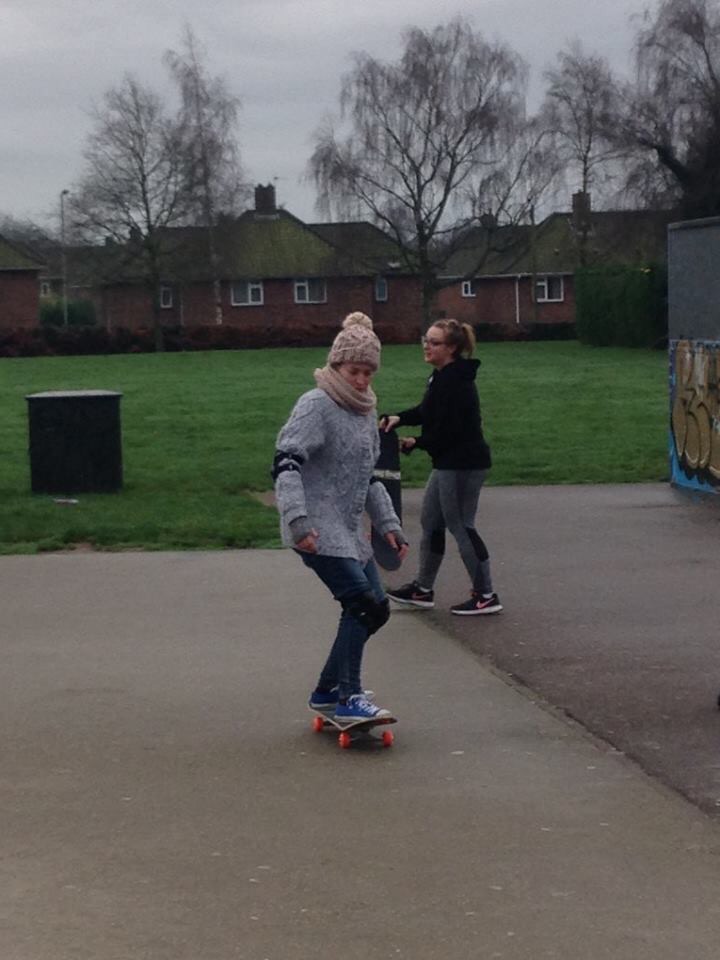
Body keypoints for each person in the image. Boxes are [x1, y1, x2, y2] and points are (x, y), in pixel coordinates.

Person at [272, 312, 409, 721]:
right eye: (354, 371)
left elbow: (368, 477)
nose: (362, 381)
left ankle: (326, 691)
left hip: (348, 530)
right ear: (336, 366)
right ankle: (349, 697)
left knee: (376, 608)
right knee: (361, 605)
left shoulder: (366, 412)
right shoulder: (316, 405)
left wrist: (388, 524)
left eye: (368, 372)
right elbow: (285, 463)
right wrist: (297, 520)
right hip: (315, 526)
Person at [380, 318, 502, 616]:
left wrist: (416, 442)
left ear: (451, 348)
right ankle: (422, 589)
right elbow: (428, 412)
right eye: (426, 340)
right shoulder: (441, 376)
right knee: (431, 521)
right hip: (447, 461)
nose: (427, 346)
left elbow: (450, 432)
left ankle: (486, 595)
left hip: (463, 464)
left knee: (461, 526)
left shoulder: (456, 382)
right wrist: (399, 418)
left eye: (434, 343)